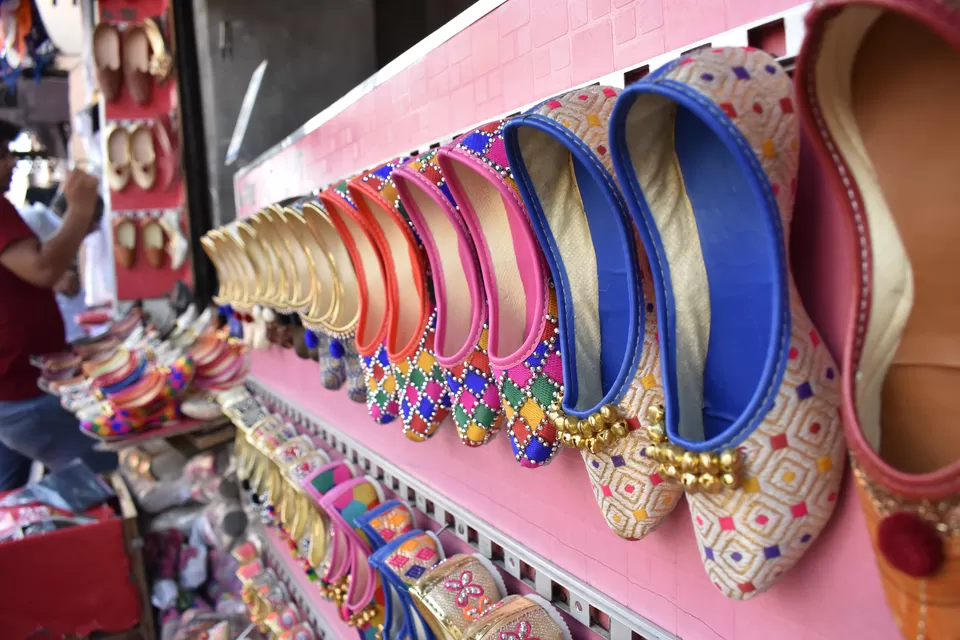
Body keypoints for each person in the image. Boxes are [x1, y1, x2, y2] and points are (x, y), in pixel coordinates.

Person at [0, 119, 116, 490]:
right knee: (112, 474)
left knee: (17, 491)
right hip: (23, 392)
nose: (12, 165)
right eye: (2, 156)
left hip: (23, 387)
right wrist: (79, 210)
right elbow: (44, 268)